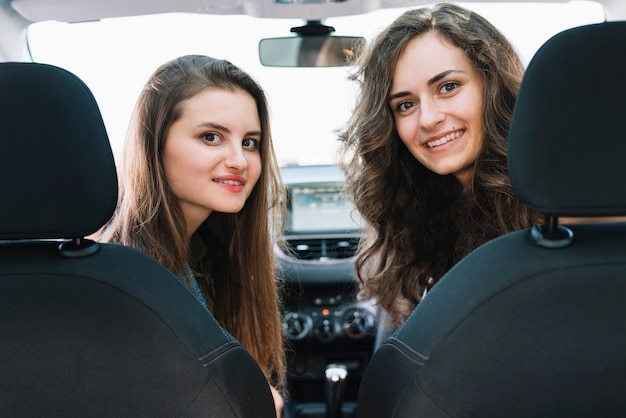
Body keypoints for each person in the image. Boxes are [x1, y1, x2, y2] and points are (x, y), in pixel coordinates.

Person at [97, 55, 287, 416]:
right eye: (211, 137)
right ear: (155, 144)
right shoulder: (136, 283)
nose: (240, 161)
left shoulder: (195, 253)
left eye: (249, 142)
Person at [338, 3, 539, 330]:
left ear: (492, 86)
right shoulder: (422, 216)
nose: (428, 119)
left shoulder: (550, 209)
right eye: (405, 105)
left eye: (448, 87)